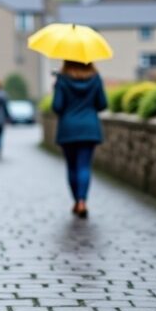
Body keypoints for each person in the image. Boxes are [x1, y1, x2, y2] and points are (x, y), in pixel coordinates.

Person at [51, 60, 108, 218]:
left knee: (72, 167)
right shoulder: (96, 78)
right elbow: (102, 104)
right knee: (84, 166)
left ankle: (76, 201)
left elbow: (57, 107)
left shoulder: (62, 79)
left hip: (68, 129)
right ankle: (83, 201)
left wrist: (56, 87)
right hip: (89, 128)